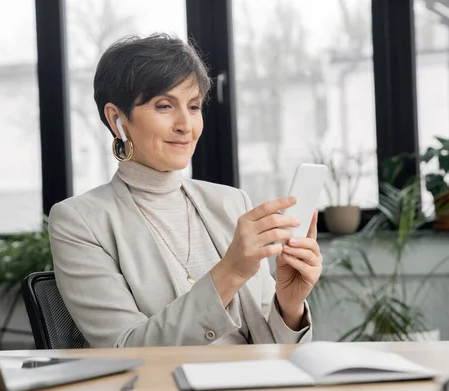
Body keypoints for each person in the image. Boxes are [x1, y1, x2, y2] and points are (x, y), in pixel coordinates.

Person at [48, 33, 323, 348]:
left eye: (194, 107)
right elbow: (125, 350)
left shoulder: (231, 202)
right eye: (164, 105)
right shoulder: (79, 221)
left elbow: (273, 351)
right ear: (117, 118)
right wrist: (229, 272)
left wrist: (289, 305)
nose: (185, 125)